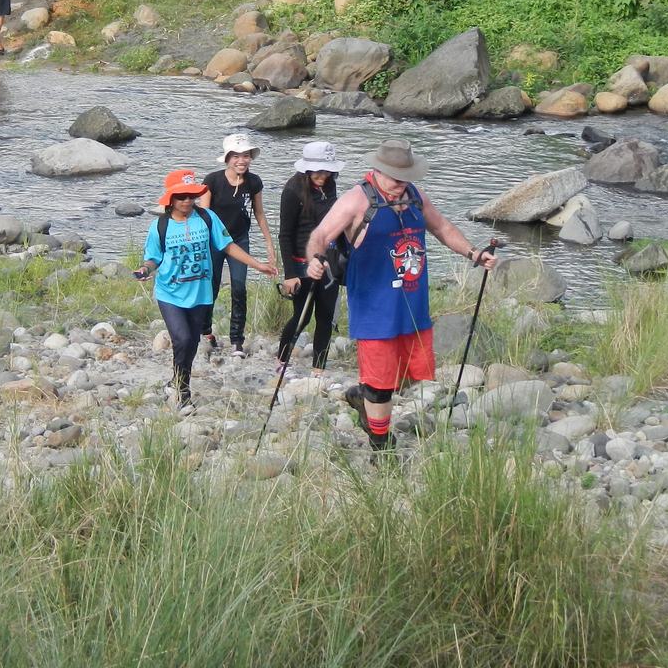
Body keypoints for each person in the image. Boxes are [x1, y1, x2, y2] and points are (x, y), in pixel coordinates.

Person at [303, 137, 497, 454]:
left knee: (407, 377)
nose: (400, 183)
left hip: (413, 303)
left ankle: (361, 395)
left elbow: (442, 228)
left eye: (406, 177)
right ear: (378, 171)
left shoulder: (415, 196)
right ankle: (382, 447)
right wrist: (315, 259)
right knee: (381, 387)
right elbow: (321, 235)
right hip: (374, 305)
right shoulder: (357, 200)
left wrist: (473, 253)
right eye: (395, 178)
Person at [137, 169, 271, 413]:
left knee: (191, 343)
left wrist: (257, 265)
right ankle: (184, 394)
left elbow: (227, 245)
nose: (187, 201)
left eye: (191, 195)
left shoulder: (207, 218)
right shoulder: (160, 226)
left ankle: (176, 379)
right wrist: (145, 269)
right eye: (182, 196)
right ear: (171, 199)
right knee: (182, 339)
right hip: (170, 293)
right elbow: (153, 258)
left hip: (201, 293)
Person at [202, 132, 276, 359]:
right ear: (227, 158)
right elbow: (204, 215)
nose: (241, 160)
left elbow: (259, 213)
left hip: (240, 240)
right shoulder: (212, 180)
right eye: (236, 156)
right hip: (214, 241)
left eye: (246, 155)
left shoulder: (254, 182)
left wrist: (269, 244)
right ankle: (206, 333)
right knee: (210, 287)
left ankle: (237, 341)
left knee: (239, 288)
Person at [276, 140, 345, 375]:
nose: (323, 176)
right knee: (302, 317)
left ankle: (319, 368)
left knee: (326, 316)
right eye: (318, 171)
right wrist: (289, 274)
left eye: (327, 171)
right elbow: (285, 235)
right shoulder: (292, 191)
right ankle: (281, 360)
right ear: (307, 169)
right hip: (301, 263)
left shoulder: (330, 185)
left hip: (329, 260)